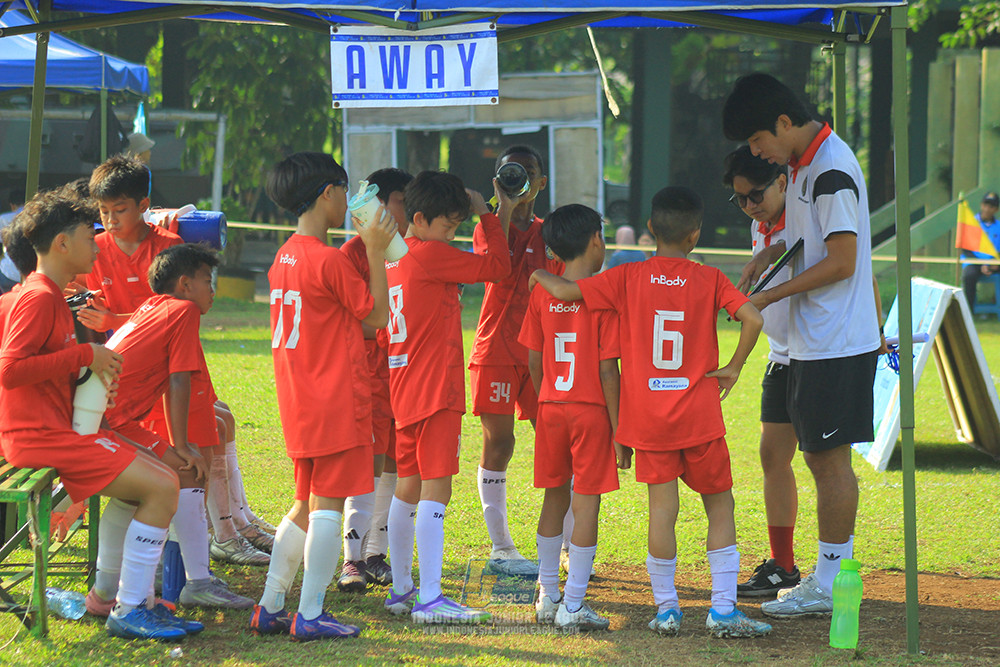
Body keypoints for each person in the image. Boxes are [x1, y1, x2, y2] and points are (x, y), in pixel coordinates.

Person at [531, 186, 772, 638]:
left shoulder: (628, 277)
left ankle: (666, 608)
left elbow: (566, 290)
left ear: (650, 231)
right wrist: (734, 368)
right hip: (699, 416)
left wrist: (539, 275)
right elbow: (754, 319)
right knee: (720, 506)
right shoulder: (710, 278)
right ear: (695, 235)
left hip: (649, 421)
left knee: (663, 511)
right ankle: (721, 610)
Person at [0, 190, 193, 640]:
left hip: (59, 429)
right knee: (164, 484)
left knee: (156, 479)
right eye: (91, 235)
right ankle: (130, 610)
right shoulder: (39, 297)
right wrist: (86, 353)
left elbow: (41, 369)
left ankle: (113, 598)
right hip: (39, 438)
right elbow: (9, 370)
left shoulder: (47, 293)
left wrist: (87, 381)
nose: (98, 242)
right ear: (62, 244)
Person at [723, 72, 880, 619]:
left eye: (758, 141)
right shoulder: (806, 165)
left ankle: (832, 581)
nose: (757, 152)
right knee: (812, 457)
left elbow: (842, 261)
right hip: (815, 343)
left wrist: (767, 298)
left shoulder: (831, 169)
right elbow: (816, 242)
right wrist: (777, 252)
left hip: (836, 341)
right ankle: (818, 573)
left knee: (827, 461)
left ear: (784, 123)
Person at [83, 154, 272, 566]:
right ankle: (197, 555)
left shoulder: (169, 249)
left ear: (143, 204)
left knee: (207, 438)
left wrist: (113, 318)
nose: (111, 220)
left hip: (174, 366)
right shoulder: (91, 251)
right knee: (180, 464)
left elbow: (161, 314)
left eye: (120, 210)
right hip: (130, 379)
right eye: (104, 212)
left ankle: (229, 526)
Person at [250, 151, 395, 641]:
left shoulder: (284, 254)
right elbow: (376, 316)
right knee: (327, 506)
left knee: (303, 503)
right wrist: (375, 248)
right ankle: (310, 613)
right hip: (335, 397)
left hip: (301, 397)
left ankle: (270, 605)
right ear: (328, 194)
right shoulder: (327, 259)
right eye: (344, 191)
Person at [90, 244, 254, 614]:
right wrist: (182, 445)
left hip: (112, 419)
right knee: (186, 472)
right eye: (207, 281)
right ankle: (194, 584)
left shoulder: (154, 305)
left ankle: (104, 595)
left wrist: (180, 444)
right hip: (106, 423)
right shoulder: (183, 311)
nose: (212, 290)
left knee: (155, 485)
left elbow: (170, 382)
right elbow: (178, 382)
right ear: (185, 284)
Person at [383, 171, 513, 624]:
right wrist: (485, 215)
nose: (451, 236)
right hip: (435, 390)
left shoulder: (394, 257)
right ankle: (431, 599)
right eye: (447, 226)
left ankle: (403, 591)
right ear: (419, 218)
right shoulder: (429, 256)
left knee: (407, 488)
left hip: (404, 388)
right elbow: (498, 266)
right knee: (436, 489)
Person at [517, 204, 623, 631]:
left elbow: (534, 360)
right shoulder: (604, 294)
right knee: (586, 504)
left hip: (552, 407)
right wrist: (619, 429)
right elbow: (606, 369)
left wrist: (546, 401)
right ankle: (574, 604)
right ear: (596, 240)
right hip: (591, 410)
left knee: (554, 497)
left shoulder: (543, 292)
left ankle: (547, 595)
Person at [469, 144, 558, 576]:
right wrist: (502, 208)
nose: (519, 179)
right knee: (500, 443)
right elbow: (497, 268)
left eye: (527, 173)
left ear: (542, 182)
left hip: (542, 354)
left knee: (556, 442)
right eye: (509, 172)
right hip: (498, 351)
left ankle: (563, 544)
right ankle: (501, 546)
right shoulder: (487, 224)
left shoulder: (552, 231)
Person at [722, 147, 802, 596]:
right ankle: (784, 566)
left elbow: (798, 245)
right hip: (781, 355)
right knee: (773, 457)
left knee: (826, 462)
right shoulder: (758, 223)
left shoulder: (807, 209)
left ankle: (835, 568)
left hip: (818, 357)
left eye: (756, 194)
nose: (751, 205)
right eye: (741, 199)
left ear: (783, 182)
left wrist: (763, 255)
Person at [337, 167, 413, 592]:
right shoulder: (350, 255)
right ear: (380, 205)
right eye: (404, 200)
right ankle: (351, 561)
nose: (409, 210)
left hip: (402, 371)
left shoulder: (409, 253)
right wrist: (382, 327)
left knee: (395, 461)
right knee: (365, 466)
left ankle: (375, 552)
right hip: (364, 374)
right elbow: (356, 319)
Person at [961, 192, 1000, 311]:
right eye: (985, 205)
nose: (987, 209)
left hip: (994, 263)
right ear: (981, 205)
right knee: (969, 276)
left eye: (991, 206)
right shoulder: (972, 224)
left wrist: (995, 263)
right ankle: (968, 312)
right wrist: (981, 264)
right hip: (973, 262)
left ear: (996, 209)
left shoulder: (998, 226)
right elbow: (966, 249)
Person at [0, 188, 25, 293]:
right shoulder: (36, 218)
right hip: (31, 273)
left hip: (7, 272)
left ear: (12, 205)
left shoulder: (3, 218)